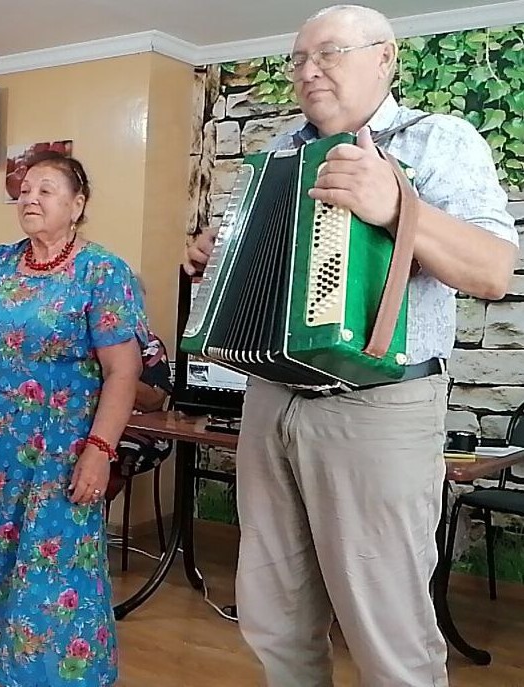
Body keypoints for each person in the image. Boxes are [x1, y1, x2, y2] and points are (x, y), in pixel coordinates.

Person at [184, 5, 517, 686]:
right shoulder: (280, 151)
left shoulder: (436, 139)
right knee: (274, 615)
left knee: (386, 626)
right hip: (272, 396)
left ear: (384, 57)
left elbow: (492, 270)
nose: (309, 71)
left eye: (329, 53)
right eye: (299, 59)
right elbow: (269, 265)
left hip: (379, 402)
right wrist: (217, 260)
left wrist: (396, 207)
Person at [0, 151, 148, 686]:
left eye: (46, 189)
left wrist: (101, 449)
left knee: (53, 570)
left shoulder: (102, 272)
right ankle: (13, 670)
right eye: (25, 189)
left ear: (77, 205)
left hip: (59, 455)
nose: (30, 198)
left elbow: (123, 370)